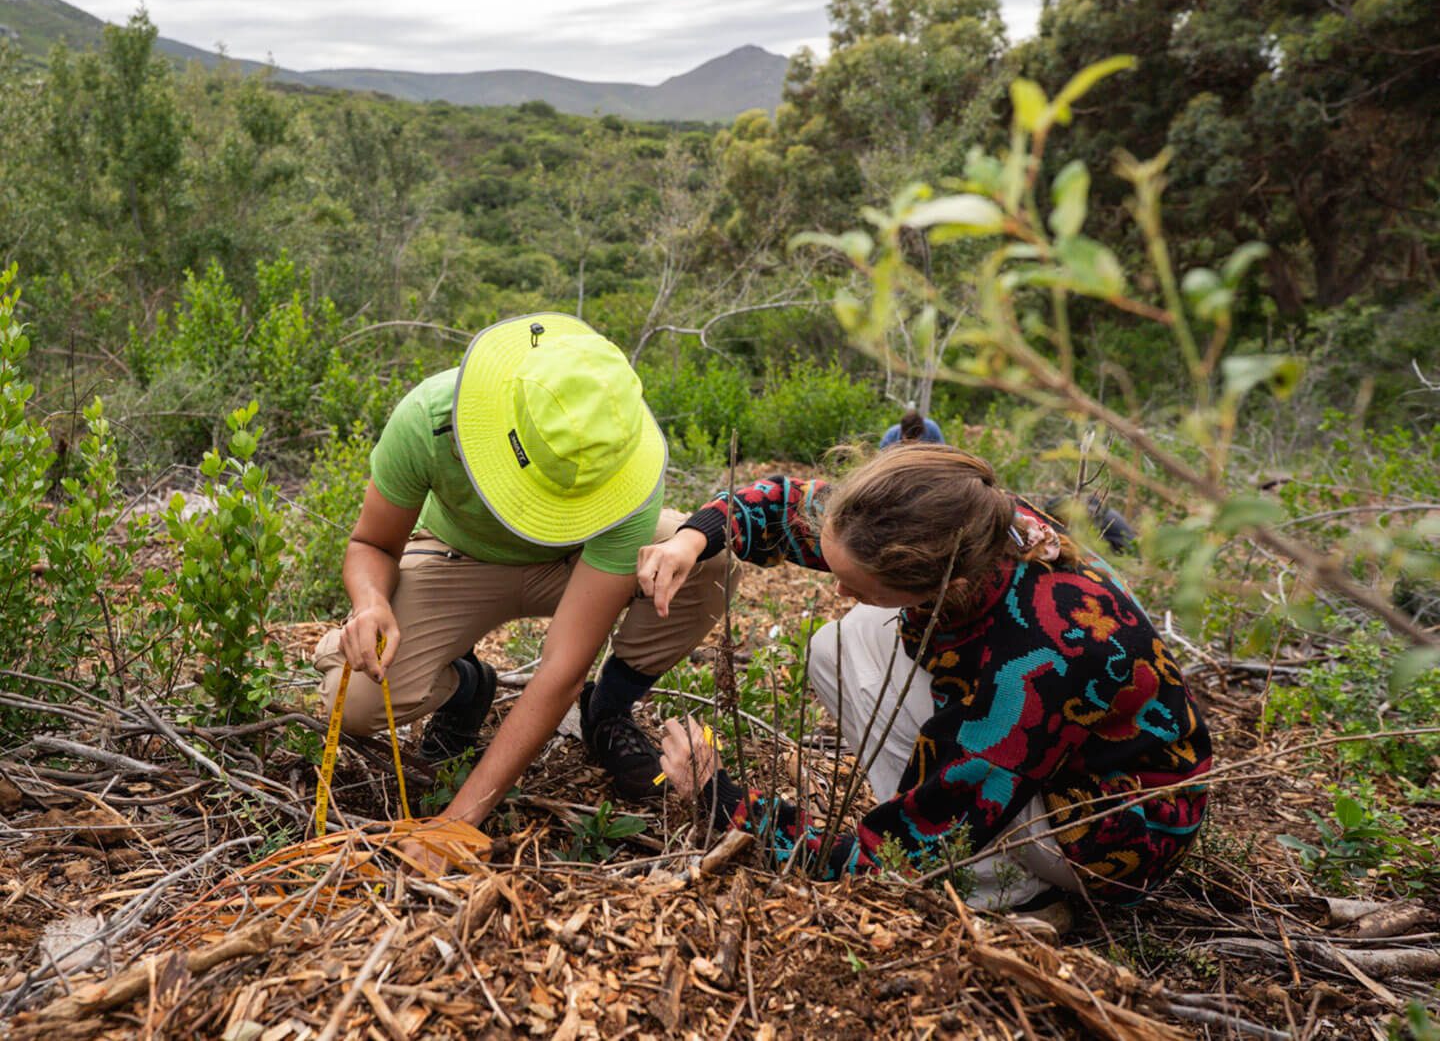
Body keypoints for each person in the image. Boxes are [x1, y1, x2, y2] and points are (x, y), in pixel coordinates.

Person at [639, 445, 1210, 908]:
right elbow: (788, 504)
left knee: (924, 839)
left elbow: (891, 853)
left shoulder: (1030, 670)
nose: (840, 590)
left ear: (941, 587)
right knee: (845, 640)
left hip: (1110, 835)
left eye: (859, 584)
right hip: (1044, 743)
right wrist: (694, 537)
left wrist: (723, 800)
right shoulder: (968, 521)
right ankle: (966, 828)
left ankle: (996, 886)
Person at [312, 313, 730, 829]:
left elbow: (561, 667)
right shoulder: (429, 416)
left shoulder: (620, 456)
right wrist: (372, 603)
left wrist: (461, 819)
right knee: (354, 705)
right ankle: (467, 685)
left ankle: (607, 712)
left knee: (710, 557)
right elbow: (370, 543)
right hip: (456, 556)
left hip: (576, 565)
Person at [879, 404, 944, 449]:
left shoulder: (932, 429)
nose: (911, 445)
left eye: (914, 441)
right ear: (902, 431)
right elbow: (881, 455)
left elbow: (942, 450)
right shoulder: (891, 436)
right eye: (908, 441)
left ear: (922, 432)